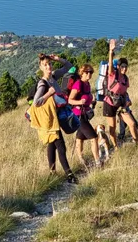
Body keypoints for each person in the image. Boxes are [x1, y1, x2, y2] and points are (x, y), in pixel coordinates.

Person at [33, 53, 78, 183]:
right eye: (45, 65)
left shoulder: (54, 76)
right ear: (41, 67)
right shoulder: (43, 83)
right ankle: (69, 175)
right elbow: (36, 102)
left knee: (52, 144)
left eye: (50, 64)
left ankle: (52, 172)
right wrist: (49, 93)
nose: (48, 67)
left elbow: (69, 67)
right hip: (50, 120)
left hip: (56, 116)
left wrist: (58, 59)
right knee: (61, 147)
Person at [103, 39, 138, 148]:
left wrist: (127, 100)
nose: (125, 68)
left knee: (132, 124)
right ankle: (116, 147)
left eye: (126, 66)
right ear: (118, 67)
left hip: (120, 104)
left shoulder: (125, 79)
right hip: (109, 104)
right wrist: (111, 52)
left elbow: (124, 92)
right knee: (112, 128)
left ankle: (137, 144)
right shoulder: (112, 75)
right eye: (122, 66)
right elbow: (110, 65)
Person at [68, 64, 101, 168]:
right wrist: (79, 102)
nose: (89, 74)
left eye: (91, 72)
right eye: (87, 72)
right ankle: (98, 162)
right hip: (78, 116)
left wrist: (91, 101)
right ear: (81, 73)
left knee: (80, 137)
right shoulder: (78, 84)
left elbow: (86, 98)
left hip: (84, 114)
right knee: (94, 137)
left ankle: (81, 160)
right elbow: (70, 100)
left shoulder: (87, 84)